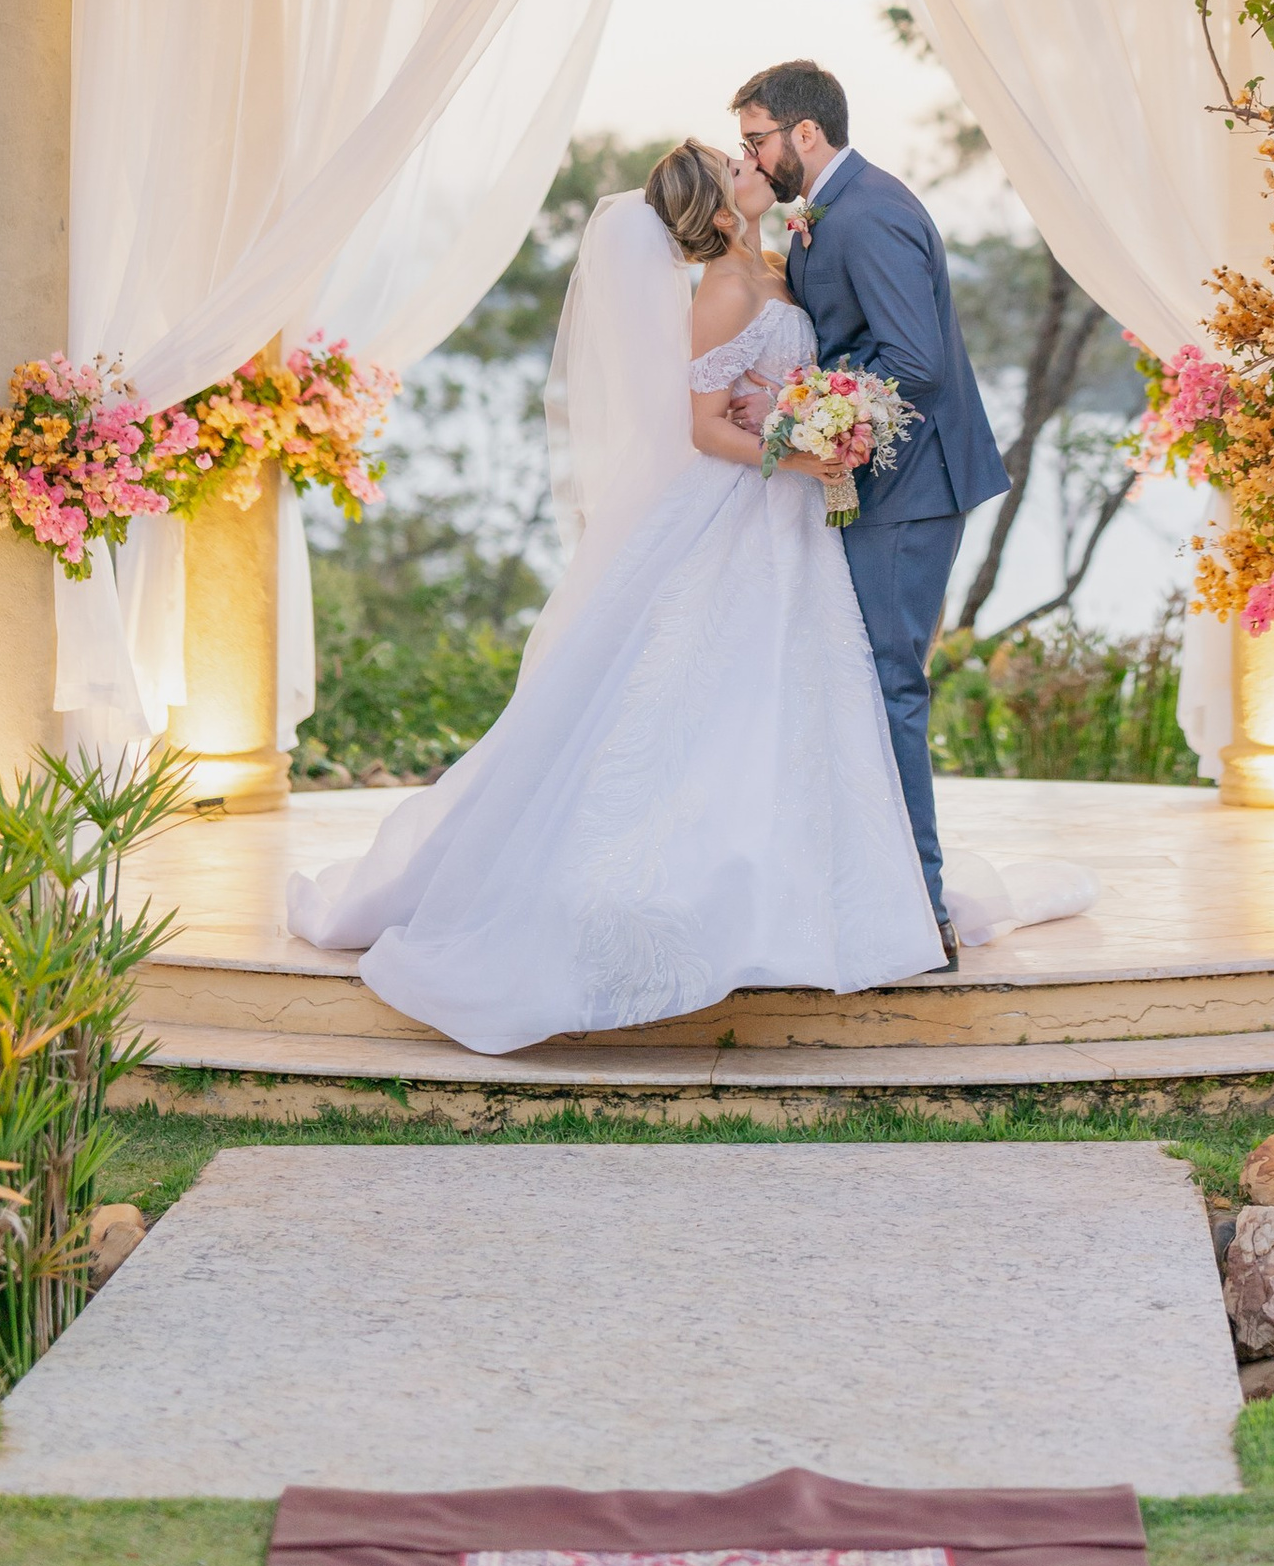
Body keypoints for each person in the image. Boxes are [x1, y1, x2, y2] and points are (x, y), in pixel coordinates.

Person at [284, 140, 954, 1049]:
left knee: (801, 702)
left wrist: (811, 414)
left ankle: (809, 893)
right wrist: (805, 451)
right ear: (721, 211)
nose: (748, 162)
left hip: (794, 520)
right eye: (733, 165)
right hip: (746, 508)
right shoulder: (722, 290)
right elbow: (704, 429)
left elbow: (778, 384)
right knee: (715, 695)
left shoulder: (774, 261)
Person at [730, 58, 1009, 968]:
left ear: (804, 134)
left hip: (911, 489)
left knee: (891, 690)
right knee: (861, 687)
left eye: (757, 140)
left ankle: (920, 913)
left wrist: (804, 418)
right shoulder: (822, 215)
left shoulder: (873, 211)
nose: (752, 157)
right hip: (875, 485)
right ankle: (865, 888)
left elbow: (913, 363)